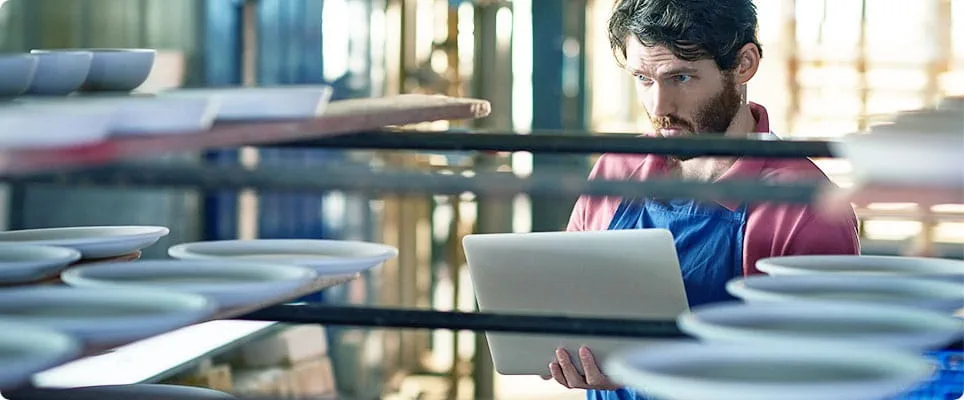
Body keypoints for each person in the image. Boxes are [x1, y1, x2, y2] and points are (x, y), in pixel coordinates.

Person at [544, 0, 861, 399]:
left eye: (681, 78)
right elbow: (569, 294)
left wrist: (653, 372)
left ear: (743, 64)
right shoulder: (617, 167)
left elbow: (823, 378)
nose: (659, 107)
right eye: (643, 78)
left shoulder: (806, 207)